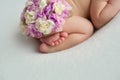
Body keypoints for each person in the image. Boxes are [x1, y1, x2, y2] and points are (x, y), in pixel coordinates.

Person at [39, 0, 120, 53]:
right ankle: (50, 47)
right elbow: (99, 19)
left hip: (36, 13)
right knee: (87, 28)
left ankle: (51, 34)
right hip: (51, 20)